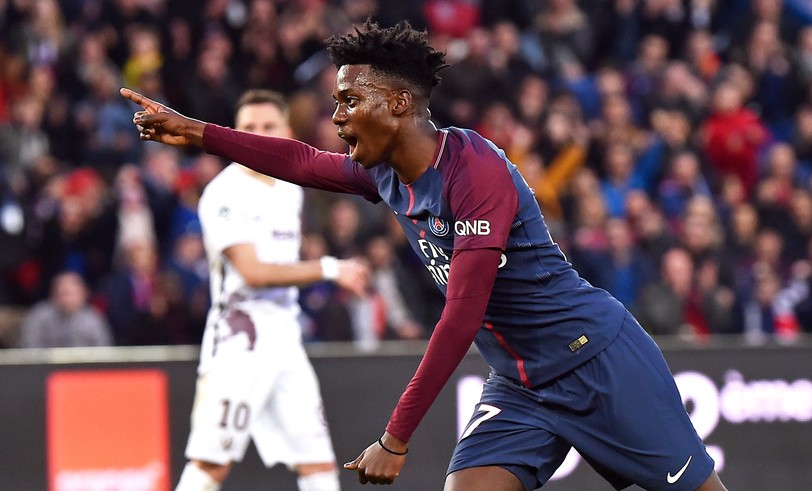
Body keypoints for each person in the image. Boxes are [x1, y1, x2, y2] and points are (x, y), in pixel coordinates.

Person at [121, 19, 728, 491]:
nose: (336, 118)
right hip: (522, 386)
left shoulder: (475, 170)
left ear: (398, 103)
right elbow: (301, 161)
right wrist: (197, 132)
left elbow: (462, 315)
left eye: (348, 102)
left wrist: (396, 435)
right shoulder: (384, 173)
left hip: (597, 362)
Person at [171, 89, 370, 491]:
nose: (258, 136)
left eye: (268, 127)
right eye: (249, 128)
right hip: (238, 343)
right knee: (211, 464)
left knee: (317, 463)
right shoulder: (223, 193)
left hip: (286, 341)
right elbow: (253, 273)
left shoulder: (290, 188)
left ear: (288, 132)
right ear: (234, 133)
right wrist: (330, 268)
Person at [18, 270, 113, 348]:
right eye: (62, 293)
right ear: (53, 294)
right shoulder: (38, 315)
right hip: (44, 368)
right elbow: (29, 348)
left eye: (70, 293)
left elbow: (103, 350)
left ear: (83, 294)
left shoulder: (93, 318)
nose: (66, 299)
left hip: (82, 368)